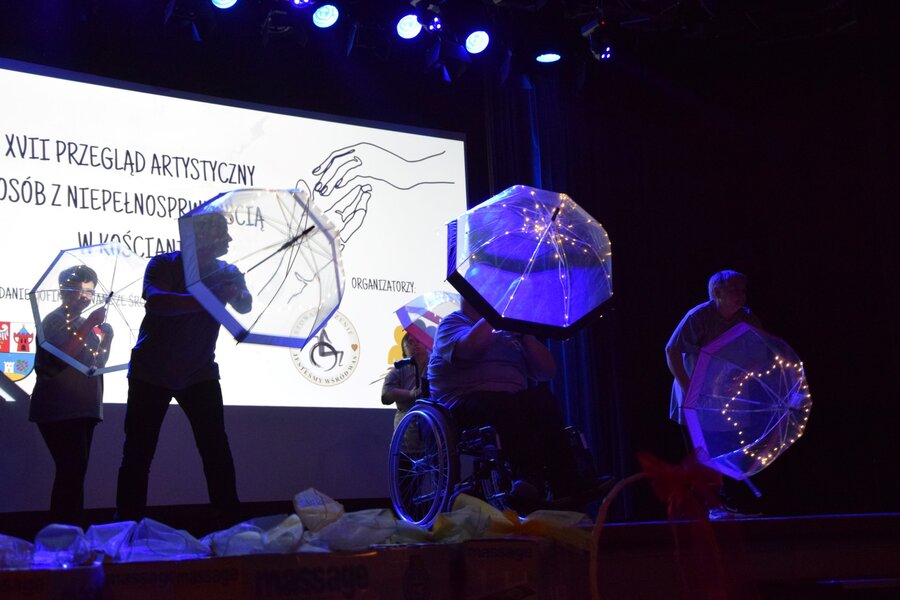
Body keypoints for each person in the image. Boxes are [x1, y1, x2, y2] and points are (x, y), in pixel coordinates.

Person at [116, 212, 251, 525]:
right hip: (150, 372)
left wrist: (237, 293)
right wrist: (209, 298)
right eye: (223, 233)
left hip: (200, 372)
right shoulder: (164, 264)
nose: (229, 239)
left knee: (215, 449)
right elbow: (158, 302)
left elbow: (245, 305)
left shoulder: (228, 272)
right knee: (138, 452)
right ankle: (127, 525)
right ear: (203, 236)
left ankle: (229, 524)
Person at [427, 298, 608, 513]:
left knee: (542, 399)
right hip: (464, 404)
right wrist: (496, 315)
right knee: (503, 403)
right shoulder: (453, 323)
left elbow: (547, 371)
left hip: (512, 403)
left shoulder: (511, 335)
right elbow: (471, 348)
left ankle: (566, 483)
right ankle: (527, 479)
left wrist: (525, 337)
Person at [665, 269, 763, 517]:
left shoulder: (746, 319)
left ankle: (729, 504)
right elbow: (672, 350)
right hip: (696, 396)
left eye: (743, 290)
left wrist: (743, 376)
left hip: (729, 397)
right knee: (702, 454)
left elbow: (760, 352)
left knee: (732, 451)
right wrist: (689, 389)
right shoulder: (699, 317)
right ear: (717, 293)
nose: (741, 295)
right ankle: (706, 508)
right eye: (734, 290)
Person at [30, 265, 112, 526]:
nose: (86, 297)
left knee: (75, 475)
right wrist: (90, 323)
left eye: (90, 291)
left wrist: (107, 339)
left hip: (85, 407)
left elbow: (95, 364)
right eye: (80, 290)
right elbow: (61, 357)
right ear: (65, 291)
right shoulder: (54, 320)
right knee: (70, 473)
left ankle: (72, 533)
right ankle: (62, 535)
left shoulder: (81, 323)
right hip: (60, 408)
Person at [381, 332, 430, 430]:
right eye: (410, 342)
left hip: (432, 419)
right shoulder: (399, 369)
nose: (415, 345)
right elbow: (386, 395)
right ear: (404, 351)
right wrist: (410, 394)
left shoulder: (436, 364)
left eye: (418, 341)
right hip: (407, 421)